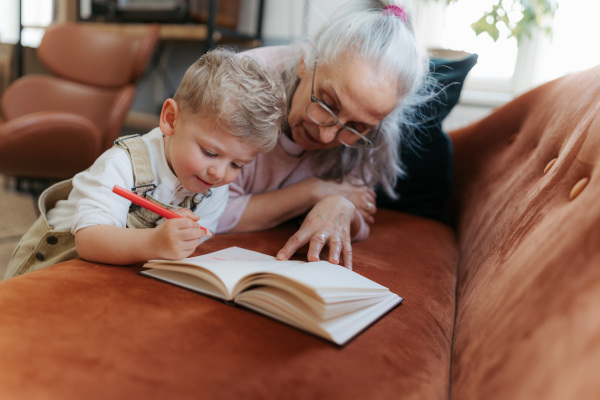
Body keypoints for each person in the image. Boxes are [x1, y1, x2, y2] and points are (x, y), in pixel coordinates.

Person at [5, 48, 287, 279]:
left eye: (238, 165)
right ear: (171, 120)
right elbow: (89, 240)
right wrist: (155, 243)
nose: (219, 172)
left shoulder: (213, 188)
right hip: (51, 268)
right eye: (210, 152)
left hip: (111, 277)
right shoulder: (123, 163)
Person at [216, 1, 431, 269]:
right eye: (328, 103)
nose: (328, 137)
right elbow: (205, 209)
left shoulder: (373, 135)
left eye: (357, 127)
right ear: (306, 62)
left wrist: (341, 205)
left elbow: (360, 214)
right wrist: (315, 190)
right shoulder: (238, 86)